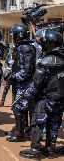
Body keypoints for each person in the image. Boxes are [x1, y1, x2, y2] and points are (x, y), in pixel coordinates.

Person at [19, 30, 64, 159]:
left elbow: (36, 84)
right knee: (54, 123)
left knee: (38, 122)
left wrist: (26, 96)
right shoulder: (62, 59)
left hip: (45, 98)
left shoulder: (46, 62)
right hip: (59, 99)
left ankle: (35, 149)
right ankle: (50, 149)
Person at [6, 24, 36, 142]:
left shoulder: (26, 48)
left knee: (18, 107)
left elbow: (27, 70)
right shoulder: (20, 47)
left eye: (14, 35)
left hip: (25, 84)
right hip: (20, 83)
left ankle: (19, 134)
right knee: (20, 108)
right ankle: (20, 129)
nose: (12, 37)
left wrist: (15, 77)